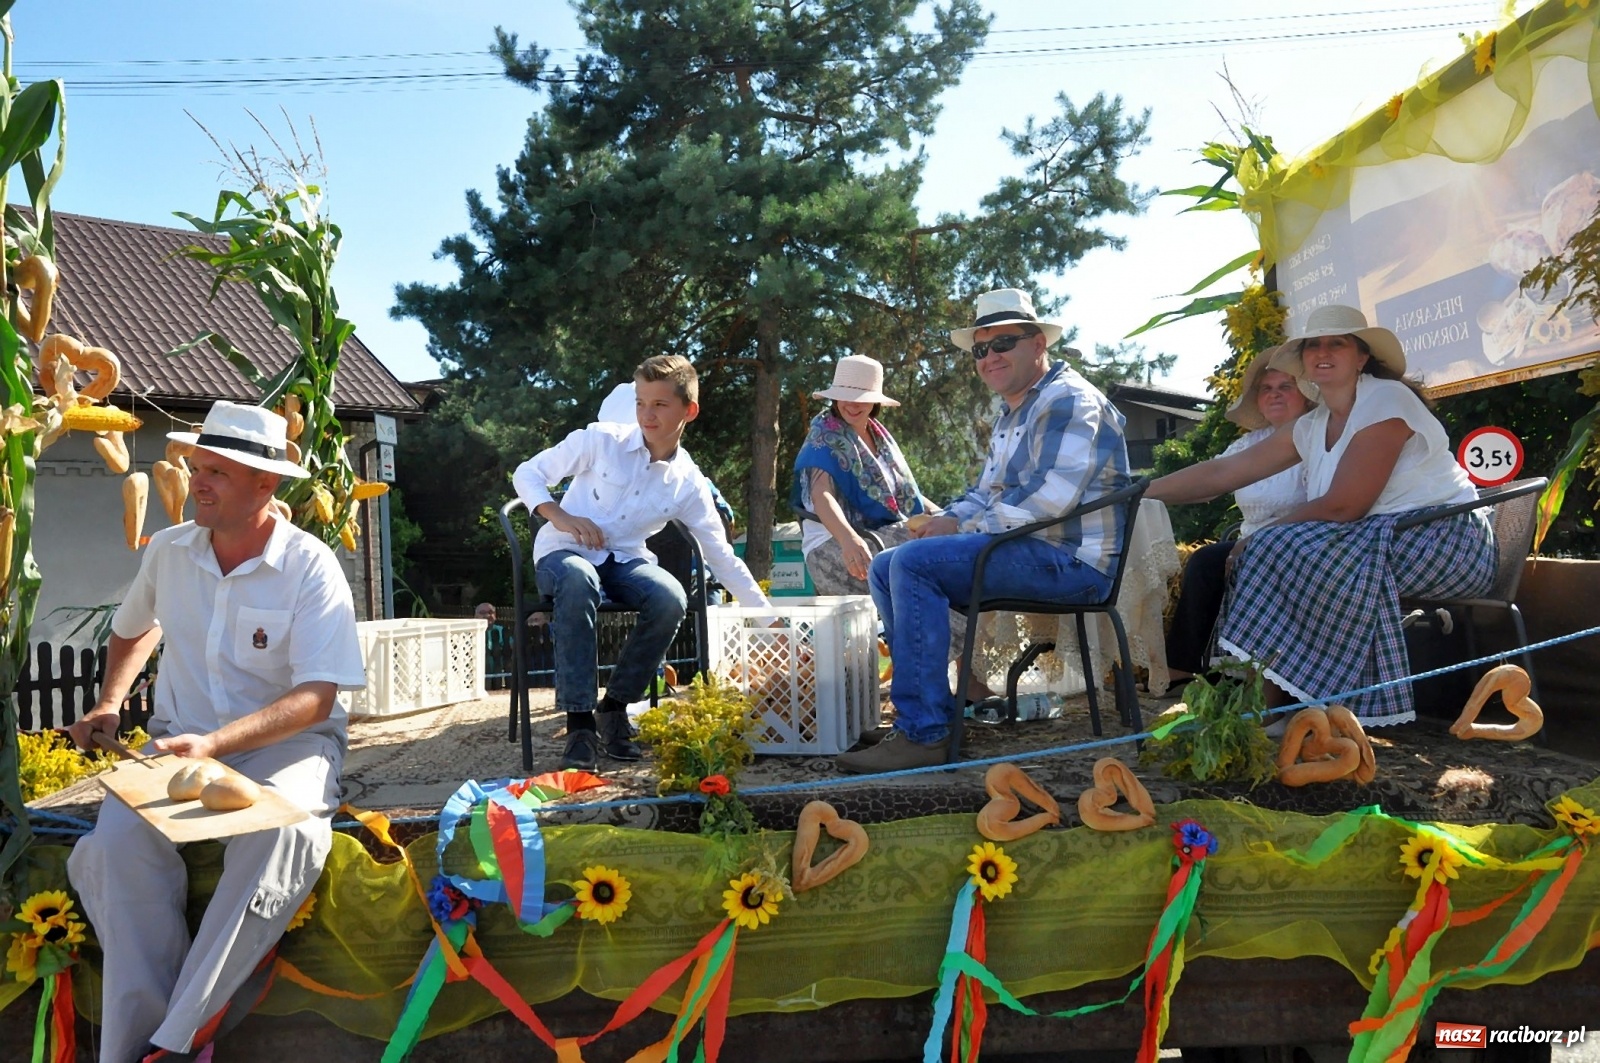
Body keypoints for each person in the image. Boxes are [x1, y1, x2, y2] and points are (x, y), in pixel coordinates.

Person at [66, 401, 365, 1063]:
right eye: (197, 467)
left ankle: (175, 1041)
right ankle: (134, 1047)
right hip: (179, 741)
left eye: (216, 473)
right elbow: (133, 628)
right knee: (112, 848)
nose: (196, 482)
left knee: (285, 836)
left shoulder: (311, 565)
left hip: (289, 748)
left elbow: (318, 695)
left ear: (266, 484)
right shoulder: (169, 551)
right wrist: (110, 703)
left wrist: (215, 746)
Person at [1148, 305, 1495, 725]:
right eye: (1314, 345)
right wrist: (1140, 492)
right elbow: (1224, 472)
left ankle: (1274, 708)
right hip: (1384, 536)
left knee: (1274, 548)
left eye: (1337, 343)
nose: (1323, 352)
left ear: (1362, 357)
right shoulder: (1315, 424)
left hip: (1443, 539)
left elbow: (1346, 504)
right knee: (1274, 549)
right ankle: (1281, 702)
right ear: (1304, 361)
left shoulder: (1387, 399)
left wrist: (1256, 538)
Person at [836, 288, 1132, 774]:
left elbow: (1051, 497)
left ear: (1038, 344)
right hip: (1032, 550)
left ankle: (925, 734)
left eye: (1003, 343)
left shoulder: (1069, 400)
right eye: (980, 349)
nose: (990, 356)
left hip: (1073, 562)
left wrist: (960, 525)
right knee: (888, 564)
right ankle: (927, 716)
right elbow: (985, 492)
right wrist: (945, 520)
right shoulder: (1014, 410)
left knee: (911, 564)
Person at [512, 354, 770, 770]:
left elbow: (721, 556)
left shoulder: (688, 483)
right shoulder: (601, 440)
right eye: (640, 403)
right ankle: (580, 724)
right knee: (578, 579)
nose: (646, 415)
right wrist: (558, 515)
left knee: (670, 596)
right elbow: (527, 473)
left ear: (689, 411)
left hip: (624, 561)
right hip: (563, 554)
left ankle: (614, 708)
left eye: (659, 405)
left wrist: (768, 619)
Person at [1164, 347, 1316, 684]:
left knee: (1222, 559)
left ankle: (1249, 674)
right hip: (1249, 540)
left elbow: (1326, 504)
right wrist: (1144, 494)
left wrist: (1254, 542)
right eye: (1266, 388)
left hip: (1299, 540)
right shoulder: (1248, 445)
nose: (1275, 394)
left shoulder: (1316, 435)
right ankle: (1186, 665)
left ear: (1307, 395)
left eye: (1285, 386)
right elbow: (1210, 483)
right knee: (1206, 561)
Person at [792, 355, 938, 595]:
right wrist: (848, 539)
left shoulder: (878, 435)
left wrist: (947, 516)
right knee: (933, 549)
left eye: (862, 398)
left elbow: (904, 494)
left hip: (881, 533)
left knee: (951, 535)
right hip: (835, 545)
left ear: (875, 401)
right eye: (845, 396)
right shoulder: (825, 434)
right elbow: (821, 495)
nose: (853, 404)